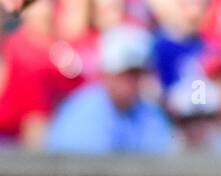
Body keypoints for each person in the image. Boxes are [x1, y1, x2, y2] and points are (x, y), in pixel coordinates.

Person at [44, 23, 174, 154]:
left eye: (136, 74)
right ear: (106, 73)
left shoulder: (149, 112)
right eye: (123, 74)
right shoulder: (82, 111)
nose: (130, 82)